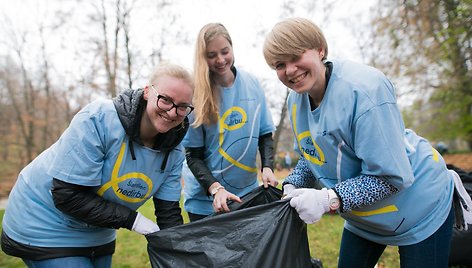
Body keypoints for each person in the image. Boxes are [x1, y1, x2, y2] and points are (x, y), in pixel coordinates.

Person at [263, 17, 472, 267]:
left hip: (419, 205)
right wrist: (292, 185)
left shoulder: (365, 91)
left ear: (320, 49)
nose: (290, 70)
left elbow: (391, 176)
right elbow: (314, 156)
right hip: (366, 214)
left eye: (296, 56)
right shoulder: (295, 100)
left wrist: (328, 198)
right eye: (279, 64)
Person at [1, 63, 194, 268]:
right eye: (165, 100)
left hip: (98, 230)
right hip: (43, 221)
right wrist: (135, 221)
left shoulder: (175, 150)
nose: (173, 113)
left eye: (182, 107)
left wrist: (179, 253)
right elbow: (67, 195)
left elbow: (169, 214)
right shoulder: (99, 118)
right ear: (147, 92)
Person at [182, 22, 277, 222]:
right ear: (202, 58)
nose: (220, 60)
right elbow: (193, 157)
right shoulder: (196, 95)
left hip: (247, 196)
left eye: (225, 51)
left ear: (232, 48)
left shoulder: (252, 84)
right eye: (211, 55)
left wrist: (267, 166)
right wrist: (216, 189)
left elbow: (265, 134)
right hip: (207, 201)